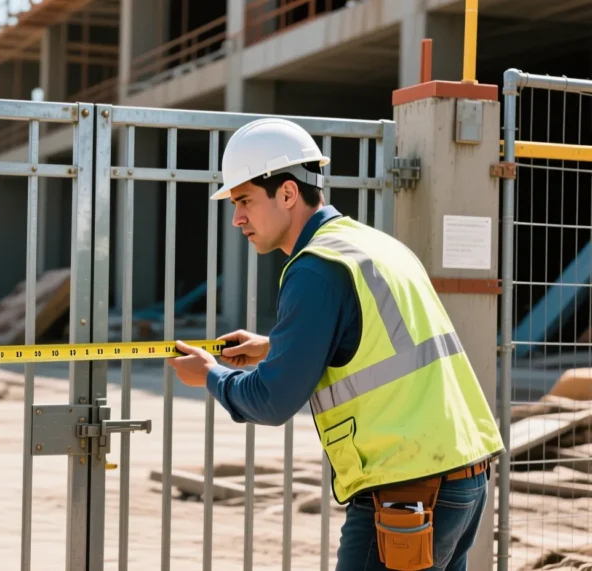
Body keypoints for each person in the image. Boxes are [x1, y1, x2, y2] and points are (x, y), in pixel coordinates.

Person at [166, 118, 504, 570]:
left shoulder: (315, 268)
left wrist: (210, 375)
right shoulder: (374, 245)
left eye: (244, 199)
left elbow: (271, 400)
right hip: (466, 478)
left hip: (404, 490)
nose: (237, 217)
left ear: (287, 193)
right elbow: (380, 341)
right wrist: (276, 346)